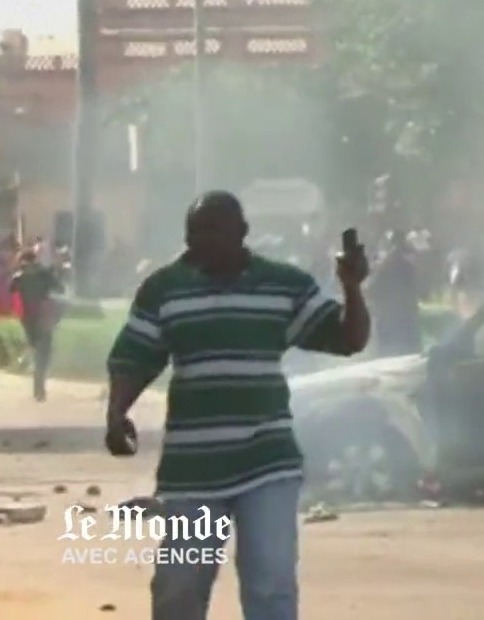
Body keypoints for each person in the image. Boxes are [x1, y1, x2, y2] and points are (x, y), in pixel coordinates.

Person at [104, 191, 371, 620]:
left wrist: (353, 288)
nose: (201, 241)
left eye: (213, 230)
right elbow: (134, 356)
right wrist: (117, 413)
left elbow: (349, 339)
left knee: (270, 586)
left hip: (267, 463)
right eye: (194, 232)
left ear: (242, 233)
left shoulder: (283, 284)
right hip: (192, 469)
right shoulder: (164, 290)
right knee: (179, 589)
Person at [10, 249, 63, 401]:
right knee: (44, 352)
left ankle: (38, 386)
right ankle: (39, 386)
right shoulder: (44, 274)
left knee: (38, 351)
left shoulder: (19, 277)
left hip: (28, 320)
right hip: (42, 318)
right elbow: (60, 288)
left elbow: (11, 292)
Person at [369, 231, 423, 355]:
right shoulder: (404, 266)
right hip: (400, 324)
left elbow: (371, 290)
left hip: (395, 324)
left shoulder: (385, 266)